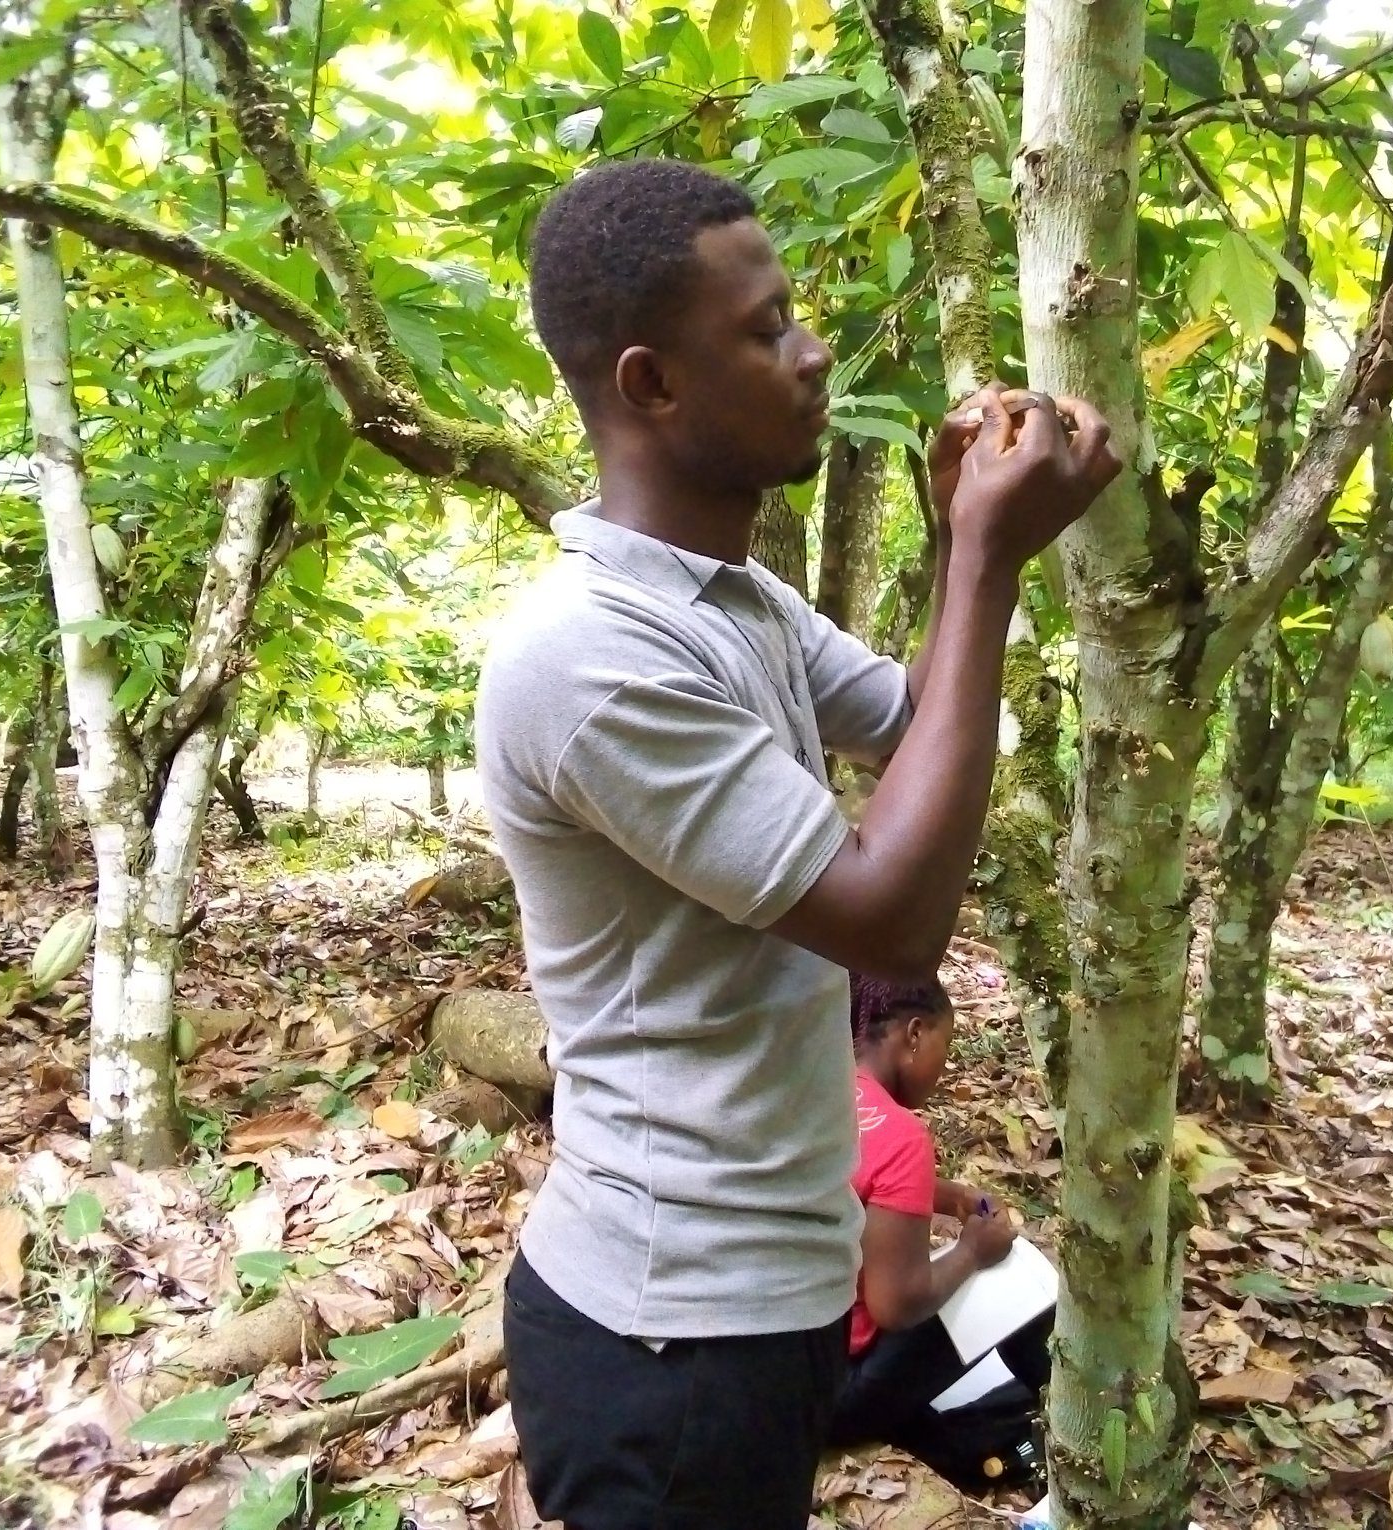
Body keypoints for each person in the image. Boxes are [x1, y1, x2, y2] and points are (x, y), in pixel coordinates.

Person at [477, 157, 1119, 1530]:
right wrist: (992, 570)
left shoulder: (734, 601)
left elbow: (914, 723)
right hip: (667, 1332)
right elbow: (890, 913)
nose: (813, 349)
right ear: (651, 384)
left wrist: (961, 547)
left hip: (757, 1301)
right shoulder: (588, 655)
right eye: (766, 329)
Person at [828, 974, 1054, 1493]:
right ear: (913, 1034)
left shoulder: (813, 1093)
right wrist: (973, 1251)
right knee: (1021, 1281)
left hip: (775, 1376)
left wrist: (946, 1195)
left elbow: (851, 1173)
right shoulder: (904, 1136)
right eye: (944, 1045)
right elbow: (895, 1305)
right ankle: (1075, 1429)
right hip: (839, 1395)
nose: (944, 1065)